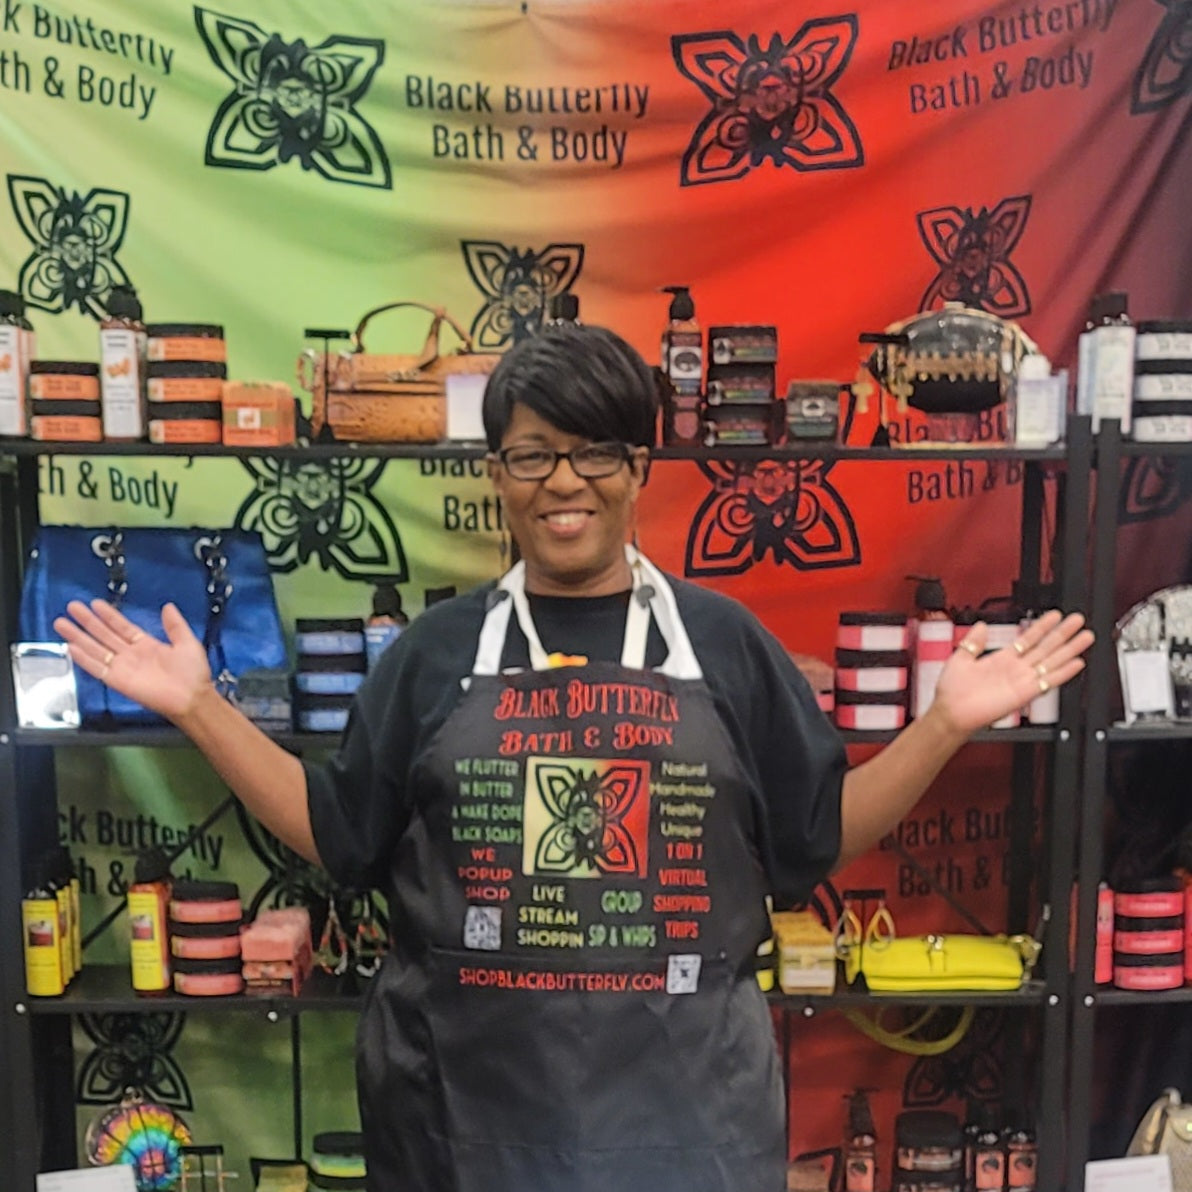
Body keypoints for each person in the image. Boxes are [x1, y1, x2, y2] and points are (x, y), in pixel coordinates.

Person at [55, 323, 1093, 1192]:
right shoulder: (431, 654)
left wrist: (945, 720)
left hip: (683, 1128)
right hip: (462, 1128)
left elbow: (817, 837)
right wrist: (199, 706)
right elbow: (338, 835)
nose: (565, 482)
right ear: (495, 470)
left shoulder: (725, 645)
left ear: (639, 465)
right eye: (532, 452)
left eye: (595, 451)